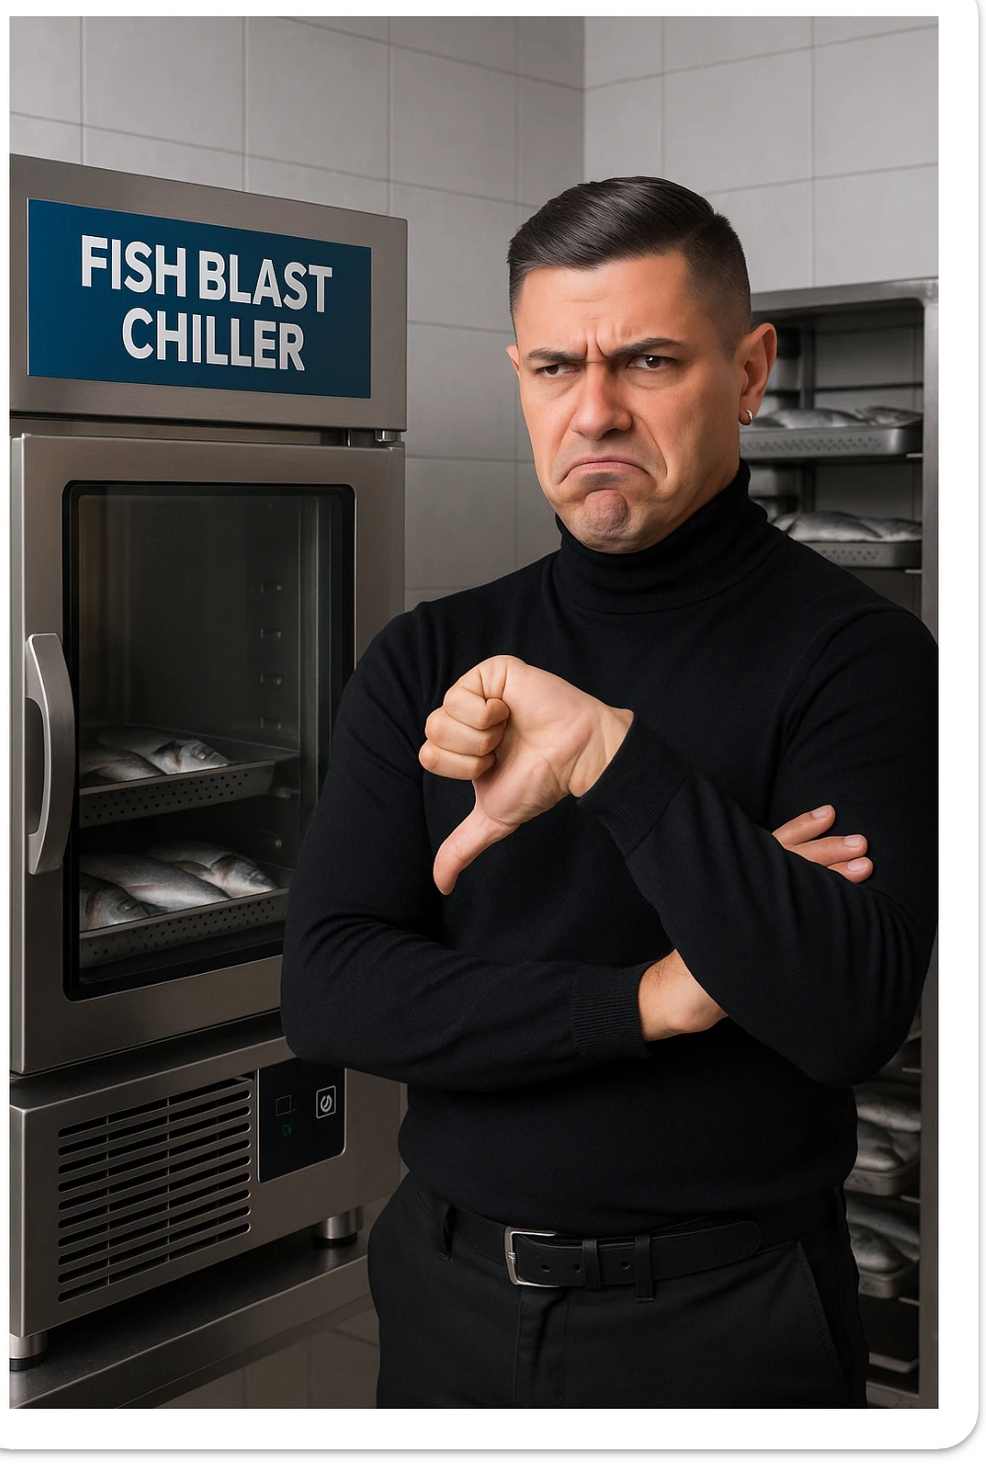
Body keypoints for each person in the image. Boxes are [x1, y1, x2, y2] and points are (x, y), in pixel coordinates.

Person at [280, 176, 938, 1409]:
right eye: (551, 368)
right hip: (445, 1303)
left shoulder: (861, 660)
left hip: (725, 1323)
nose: (593, 411)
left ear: (749, 372)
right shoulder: (431, 657)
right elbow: (329, 992)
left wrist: (612, 759)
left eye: (646, 360)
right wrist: (656, 995)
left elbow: (847, 1007)